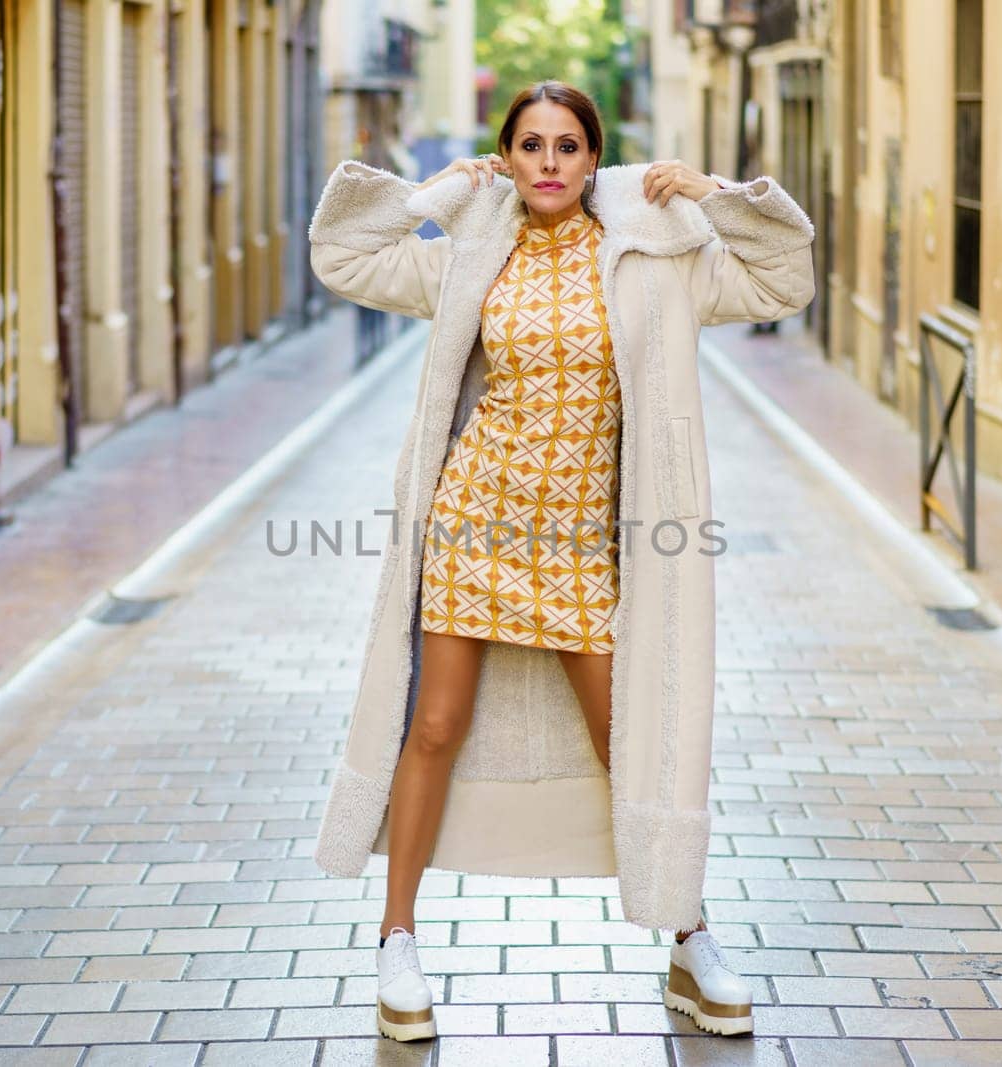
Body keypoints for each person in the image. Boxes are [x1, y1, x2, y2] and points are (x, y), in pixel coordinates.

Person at [306, 80, 816, 1042]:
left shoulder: (655, 255)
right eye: (531, 145)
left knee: (632, 736)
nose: (549, 162)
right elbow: (344, 252)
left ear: (594, 160)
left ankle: (688, 937)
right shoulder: (470, 254)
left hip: (583, 543)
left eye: (568, 145)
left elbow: (784, 276)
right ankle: (396, 941)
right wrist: (432, 196)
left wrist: (713, 196)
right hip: (476, 520)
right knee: (435, 726)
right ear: (507, 157)